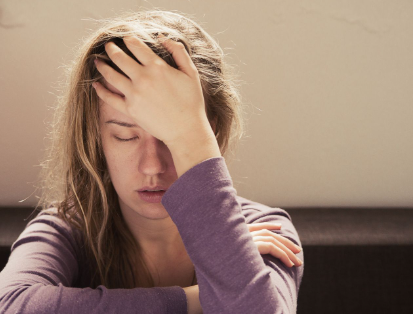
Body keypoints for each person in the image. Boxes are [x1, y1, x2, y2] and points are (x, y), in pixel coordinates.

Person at [0, 9, 304, 314]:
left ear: (211, 133)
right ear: (96, 140)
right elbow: (12, 307)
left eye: (171, 138)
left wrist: (191, 136)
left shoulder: (264, 229)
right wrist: (202, 297)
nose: (152, 166)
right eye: (125, 137)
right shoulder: (68, 231)